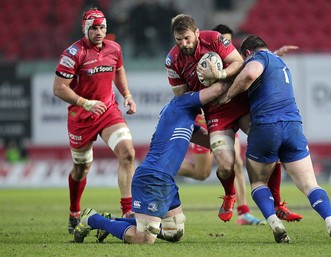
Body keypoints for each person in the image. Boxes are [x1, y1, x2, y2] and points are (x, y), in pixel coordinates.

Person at [219, 35, 331, 243]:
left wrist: (228, 95)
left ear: (246, 54)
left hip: (266, 126)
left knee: (258, 182)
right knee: (310, 185)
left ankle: (276, 225)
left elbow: (250, 73)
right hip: (293, 126)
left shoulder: (257, 58)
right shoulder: (279, 61)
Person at [173, 20, 301, 224]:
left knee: (270, 146)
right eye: (180, 40)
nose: (184, 43)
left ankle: (277, 205)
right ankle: (230, 195)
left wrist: (221, 75)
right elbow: (182, 97)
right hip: (214, 114)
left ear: (197, 34)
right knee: (220, 167)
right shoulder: (174, 60)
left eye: (187, 38)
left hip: (240, 105)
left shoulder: (216, 42)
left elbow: (246, 64)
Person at [73, 82, 229, 244]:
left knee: (174, 233)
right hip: (152, 178)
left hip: (166, 180)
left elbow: (213, 141)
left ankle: (110, 221)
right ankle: (93, 219)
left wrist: (230, 129)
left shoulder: (184, 118)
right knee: (144, 238)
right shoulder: (182, 103)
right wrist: (233, 81)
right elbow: (220, 88)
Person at [53, 7, 137, 234]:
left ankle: (127, 211)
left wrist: (127, 95)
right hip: (81, 116)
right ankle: (74, 211)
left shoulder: (114, 48)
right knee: (81, 168)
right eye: (94, 28)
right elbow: (59, 88)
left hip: (108, 111)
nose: (99, 32)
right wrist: (85, 102)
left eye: (102, 28)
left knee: (127, 153)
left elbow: (119, 71)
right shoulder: (73, 54)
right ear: (86, 29)